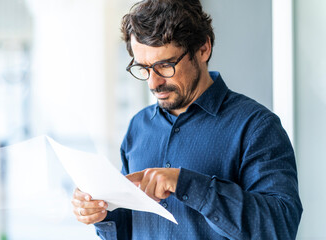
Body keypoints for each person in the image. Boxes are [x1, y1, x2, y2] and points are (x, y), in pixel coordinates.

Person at [71, 0, 303, 239]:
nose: (153, 82)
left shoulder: (256, 126)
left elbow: (280, 227)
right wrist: (103, 212)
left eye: (165, 66)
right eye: (144, 68)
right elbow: (132, 230)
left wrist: (188, 185)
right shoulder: (138, 127)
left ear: (203, 49)